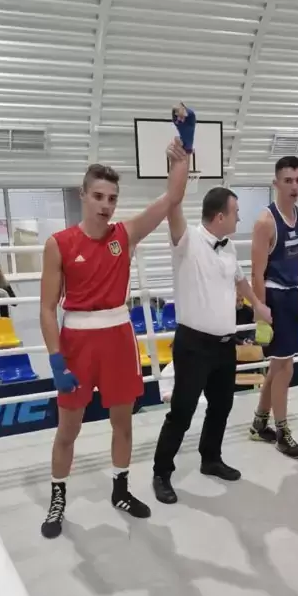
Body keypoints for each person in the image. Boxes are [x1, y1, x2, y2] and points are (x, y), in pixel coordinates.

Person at [39, 132, 191, 539]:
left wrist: (183, 155)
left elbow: (172, 197)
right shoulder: (59, 244)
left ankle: (120, 489)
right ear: (83, 195)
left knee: (122, 422)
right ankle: (58, 497)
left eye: (111, 198)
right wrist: (55, 358)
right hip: (77, 341)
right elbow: (47, 308)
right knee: (68, 429)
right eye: (98, 196)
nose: (105, 205)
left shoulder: (125, 234)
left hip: (119, 337)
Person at [152, 188, 272, 505]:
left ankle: (211, 458)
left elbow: (240, 280)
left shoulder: (229, 246)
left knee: (221, 406)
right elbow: (173, 209)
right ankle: (161, 473)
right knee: (182, 411)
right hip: (193, 344)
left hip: (224, 345)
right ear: (220, 216)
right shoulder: (188, 240)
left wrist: (258, 305)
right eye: (236, 212)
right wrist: (178, 176)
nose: (239, 218)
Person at [249, 156, 298, 459]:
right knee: (285, 367)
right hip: (274, 297)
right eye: (288, 180)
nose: (295, 186)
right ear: (276, 183)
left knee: (278, 365)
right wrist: (261, 314)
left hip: (293, 298)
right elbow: (256, 273)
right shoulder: (265, 222)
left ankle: (259, 423)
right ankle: (282, 431)